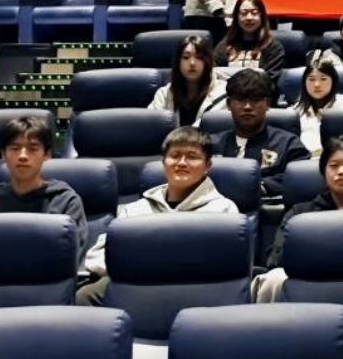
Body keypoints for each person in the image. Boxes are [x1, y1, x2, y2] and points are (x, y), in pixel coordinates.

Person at [77, 127, 239, 304]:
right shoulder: (134, 211)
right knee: (86, 295)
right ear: (163, 163)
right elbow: (98, 256)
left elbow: (228, 265)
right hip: (139, 286)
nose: (182, 163)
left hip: (197, 288)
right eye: (175, 155)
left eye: (192, 156)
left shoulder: (224, 210)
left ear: (207, 165)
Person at [253, 137, 343, 303]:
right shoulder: (299, 214)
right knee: (274, 277)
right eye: (334, 166)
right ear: (324, 171)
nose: (341, 171)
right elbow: (275, 259)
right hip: (309, 281)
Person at [0, 115, 88, 256]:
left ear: (47, 154)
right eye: (15, 148)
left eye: (33, 148)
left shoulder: (67, 202)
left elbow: (72, 257)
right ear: (3, 154)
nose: (23, 156)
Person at [211, 69, 308, 196]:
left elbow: (300, 178)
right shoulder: (210, 145)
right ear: (229, 104)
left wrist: (262, 186)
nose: (247, 106)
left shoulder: (289, 145)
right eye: (240, 100)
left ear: (267, 104)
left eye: (255, 100)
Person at [147, 34, 228, 126]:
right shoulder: (164, 94)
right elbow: (151, 126)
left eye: (199, 57)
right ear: (178, 62)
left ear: (207, 61)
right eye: (186, 57)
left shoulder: (223, 93)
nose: (192, 63)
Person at [212, 0, 286, 81]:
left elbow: (270, 80)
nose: (249, 18)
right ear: (236, 17)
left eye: (254, 13)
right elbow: (214, 74)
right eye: (244, 13)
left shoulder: (273, 47)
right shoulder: (225, 46)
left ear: (262, 17)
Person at [292, 60, 343, 154]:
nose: (317, 85)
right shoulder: (294, 112)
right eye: (311, 79)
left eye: (323, 79)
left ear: (333, 81)